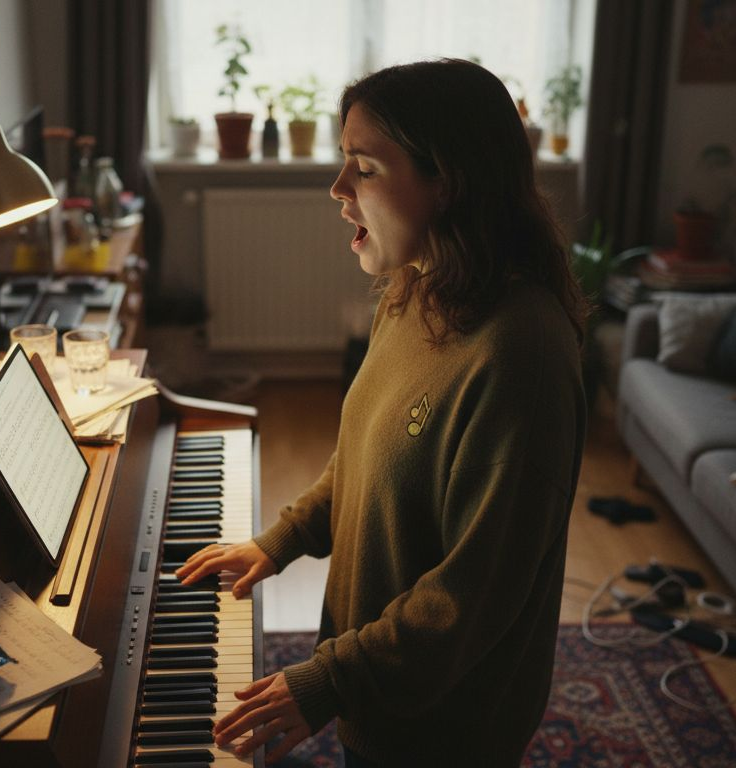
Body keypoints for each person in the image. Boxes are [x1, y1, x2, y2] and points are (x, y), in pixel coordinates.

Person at [176, 58, 587, 766]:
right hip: (388, 693)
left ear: (448, 182)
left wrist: (328, 682)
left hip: (447, 724)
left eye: (363, 168)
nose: (337, 191)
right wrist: (280, 541)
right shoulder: (417, 289)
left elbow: (469, 597)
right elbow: (366, 451)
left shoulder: (522, 355)